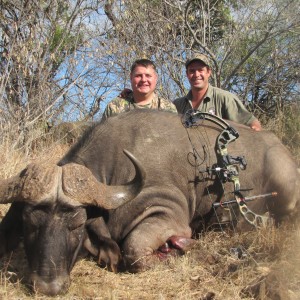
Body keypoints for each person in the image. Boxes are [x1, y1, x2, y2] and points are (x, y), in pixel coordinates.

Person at [173, 54, 262, 131]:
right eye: (192, 71)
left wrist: (254, 131)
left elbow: (251, 122)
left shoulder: (225, 98)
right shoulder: (178, 104)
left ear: (208, 72)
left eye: (200, 70)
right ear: (187, 74)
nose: (196, 75)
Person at [101, 59, 177, 121]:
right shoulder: (115, 107)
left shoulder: (168, 108)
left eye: (148, 76)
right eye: (138, 76)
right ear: (131, 77)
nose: (143, 80)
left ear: (155, 78)